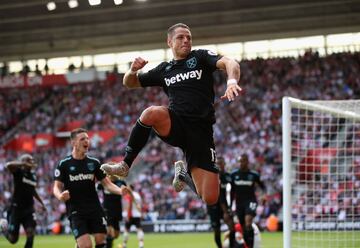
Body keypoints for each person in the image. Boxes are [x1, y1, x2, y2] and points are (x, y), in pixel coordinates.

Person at [101, 23, 242, 205]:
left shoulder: (200, 57)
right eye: (181, 37)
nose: (186, 40)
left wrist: (231, 81)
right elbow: (130, 83)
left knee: (210, 198)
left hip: (201, 132)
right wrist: (133, 70)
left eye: (189, 37)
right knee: (151, 113)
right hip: (177, 124)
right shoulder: (164, 70)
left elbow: (231, 63)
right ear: (169, 42)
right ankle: (125, 164)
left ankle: (183, 175)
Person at [53, 128, 130, 248]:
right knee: (86, 245)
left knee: (101, 242)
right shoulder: (64, 164)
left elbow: (107, 184)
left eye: (87, 138)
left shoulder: (94, 163)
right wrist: (60, 196)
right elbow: (56, 187)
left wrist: (120, 190)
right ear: (73, 143)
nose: (87, 141)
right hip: (76, 211)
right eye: (82, 139)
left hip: (95, 209)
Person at [2, 154, 46, 248]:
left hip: (29, 209)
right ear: (24, 161)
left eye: (32, 160)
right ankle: (3, 228)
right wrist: (22, 164)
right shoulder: (18, 171)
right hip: (16, 209)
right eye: (30, 160)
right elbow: (8, 165)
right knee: (13, 240)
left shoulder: (33, 175)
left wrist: (41, 202)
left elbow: (33, 190)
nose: (32, 162)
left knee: (31, 234)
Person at [230, 154, 265, 248]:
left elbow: (263, 187)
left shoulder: (254, 175)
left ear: (247, 162)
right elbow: (232, 192)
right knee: (244, 227)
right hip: (239, 203)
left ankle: (250, 246)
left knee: (248, 222)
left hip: (251, 201)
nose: (241, 163)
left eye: (243, 161)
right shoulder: (233, 175)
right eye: (240, 161)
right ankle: (248, 245)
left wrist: (263, 196)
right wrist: (230, 205)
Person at [207, 156, 235, 248]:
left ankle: (231, 246)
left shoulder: (229, 177)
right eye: (217, 164)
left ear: (224, 165)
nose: (219, 166)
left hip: (226, 207)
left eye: (221, 164)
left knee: (232, 227)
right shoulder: (211, 177)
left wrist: (230, 207)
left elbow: (232, 192)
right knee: (217, 230)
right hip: (213, 206)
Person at [97, 175, 127, 248]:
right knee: (109, 230)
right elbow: (97, 189)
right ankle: (107, 244)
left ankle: (108, 241)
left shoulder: (121, 182)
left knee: (116, 234)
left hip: (117, 210)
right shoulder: (103, 182)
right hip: (106, 209)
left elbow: (125, 191)